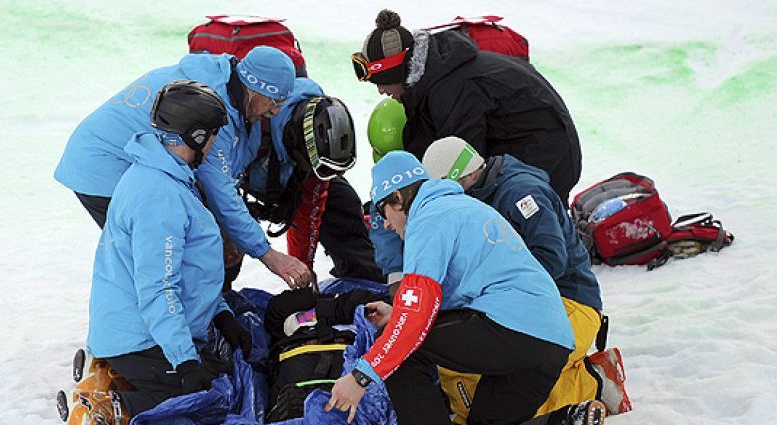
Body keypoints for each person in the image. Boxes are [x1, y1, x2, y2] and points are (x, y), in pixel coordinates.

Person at [325, 151, 606, 425]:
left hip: (513, 327)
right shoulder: (464, 208)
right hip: (551, 339)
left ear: (398, 197)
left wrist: (361, 375)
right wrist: (397, 313)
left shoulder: (428, 219)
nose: (385, 223)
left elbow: (414, 320)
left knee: (400, 347)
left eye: (383, 211)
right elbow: (442, 301)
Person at [57, 81, 253, 425]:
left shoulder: (165, 172)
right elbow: (159, 288)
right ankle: (104, 409)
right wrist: (184, 360)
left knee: (224, 367)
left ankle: (109, 370)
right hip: (140, 333)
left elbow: (190, 274)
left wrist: (222, 315)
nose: (217, 146)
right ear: (196, 137)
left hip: (140, 327)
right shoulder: (158, 196)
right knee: (211, 398)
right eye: (214, 136)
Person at [54, 46, 311, 289]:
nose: (276, 112)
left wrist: (231, 231)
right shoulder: (213, 108)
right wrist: (268, 255)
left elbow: (226, 179)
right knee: (166, 261)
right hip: (102, 167)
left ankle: (209, 315)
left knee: (205, 244)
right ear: (256, 90)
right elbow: (220, 192)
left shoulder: (235, 88)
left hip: (126, 160)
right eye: (274, 102)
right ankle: (160, 328)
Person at [422, 136, 631, 418]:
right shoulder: (478, 195)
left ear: (469, 174)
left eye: (449, 189)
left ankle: (593, 382)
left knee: (516, 384)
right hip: (528, 303)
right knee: (467, 368)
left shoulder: (521, 194)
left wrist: (491, 297)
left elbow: (551, 259)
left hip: (569, 301)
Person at [351, 9, 582, 206]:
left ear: (396, 72)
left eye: (381, 82)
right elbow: (424, 146)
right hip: (525, 146)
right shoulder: (429, 80)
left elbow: (461, 169)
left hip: (546, 156)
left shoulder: (451, 90)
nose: (380, 91)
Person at [242, 77, 384, 282]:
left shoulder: (313, 151)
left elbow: (308, 212)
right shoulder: (252, 120)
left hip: (281, 172)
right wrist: (268, 255)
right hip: (219, 183)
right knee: (219, 244)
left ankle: (365, 283)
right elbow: (220, 193)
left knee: (341, 200)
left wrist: (301, 270)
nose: (318, 175)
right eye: (316, 169)